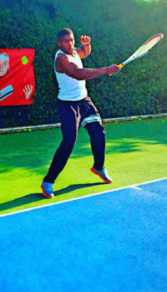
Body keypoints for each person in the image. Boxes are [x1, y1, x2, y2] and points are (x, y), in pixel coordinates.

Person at [41, 28, 120, 199]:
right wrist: (106, 69)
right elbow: (78, 73)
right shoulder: (62, 58)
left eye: (72, 40)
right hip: (68, 106)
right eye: (66, 41)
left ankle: (99, 167)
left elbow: (85, 52)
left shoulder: (74, 51)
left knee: (99, 132)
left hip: (84, 101)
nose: (70, 43)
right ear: (59, 44)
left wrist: (87, 45)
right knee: (69, 142)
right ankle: (48, 181)